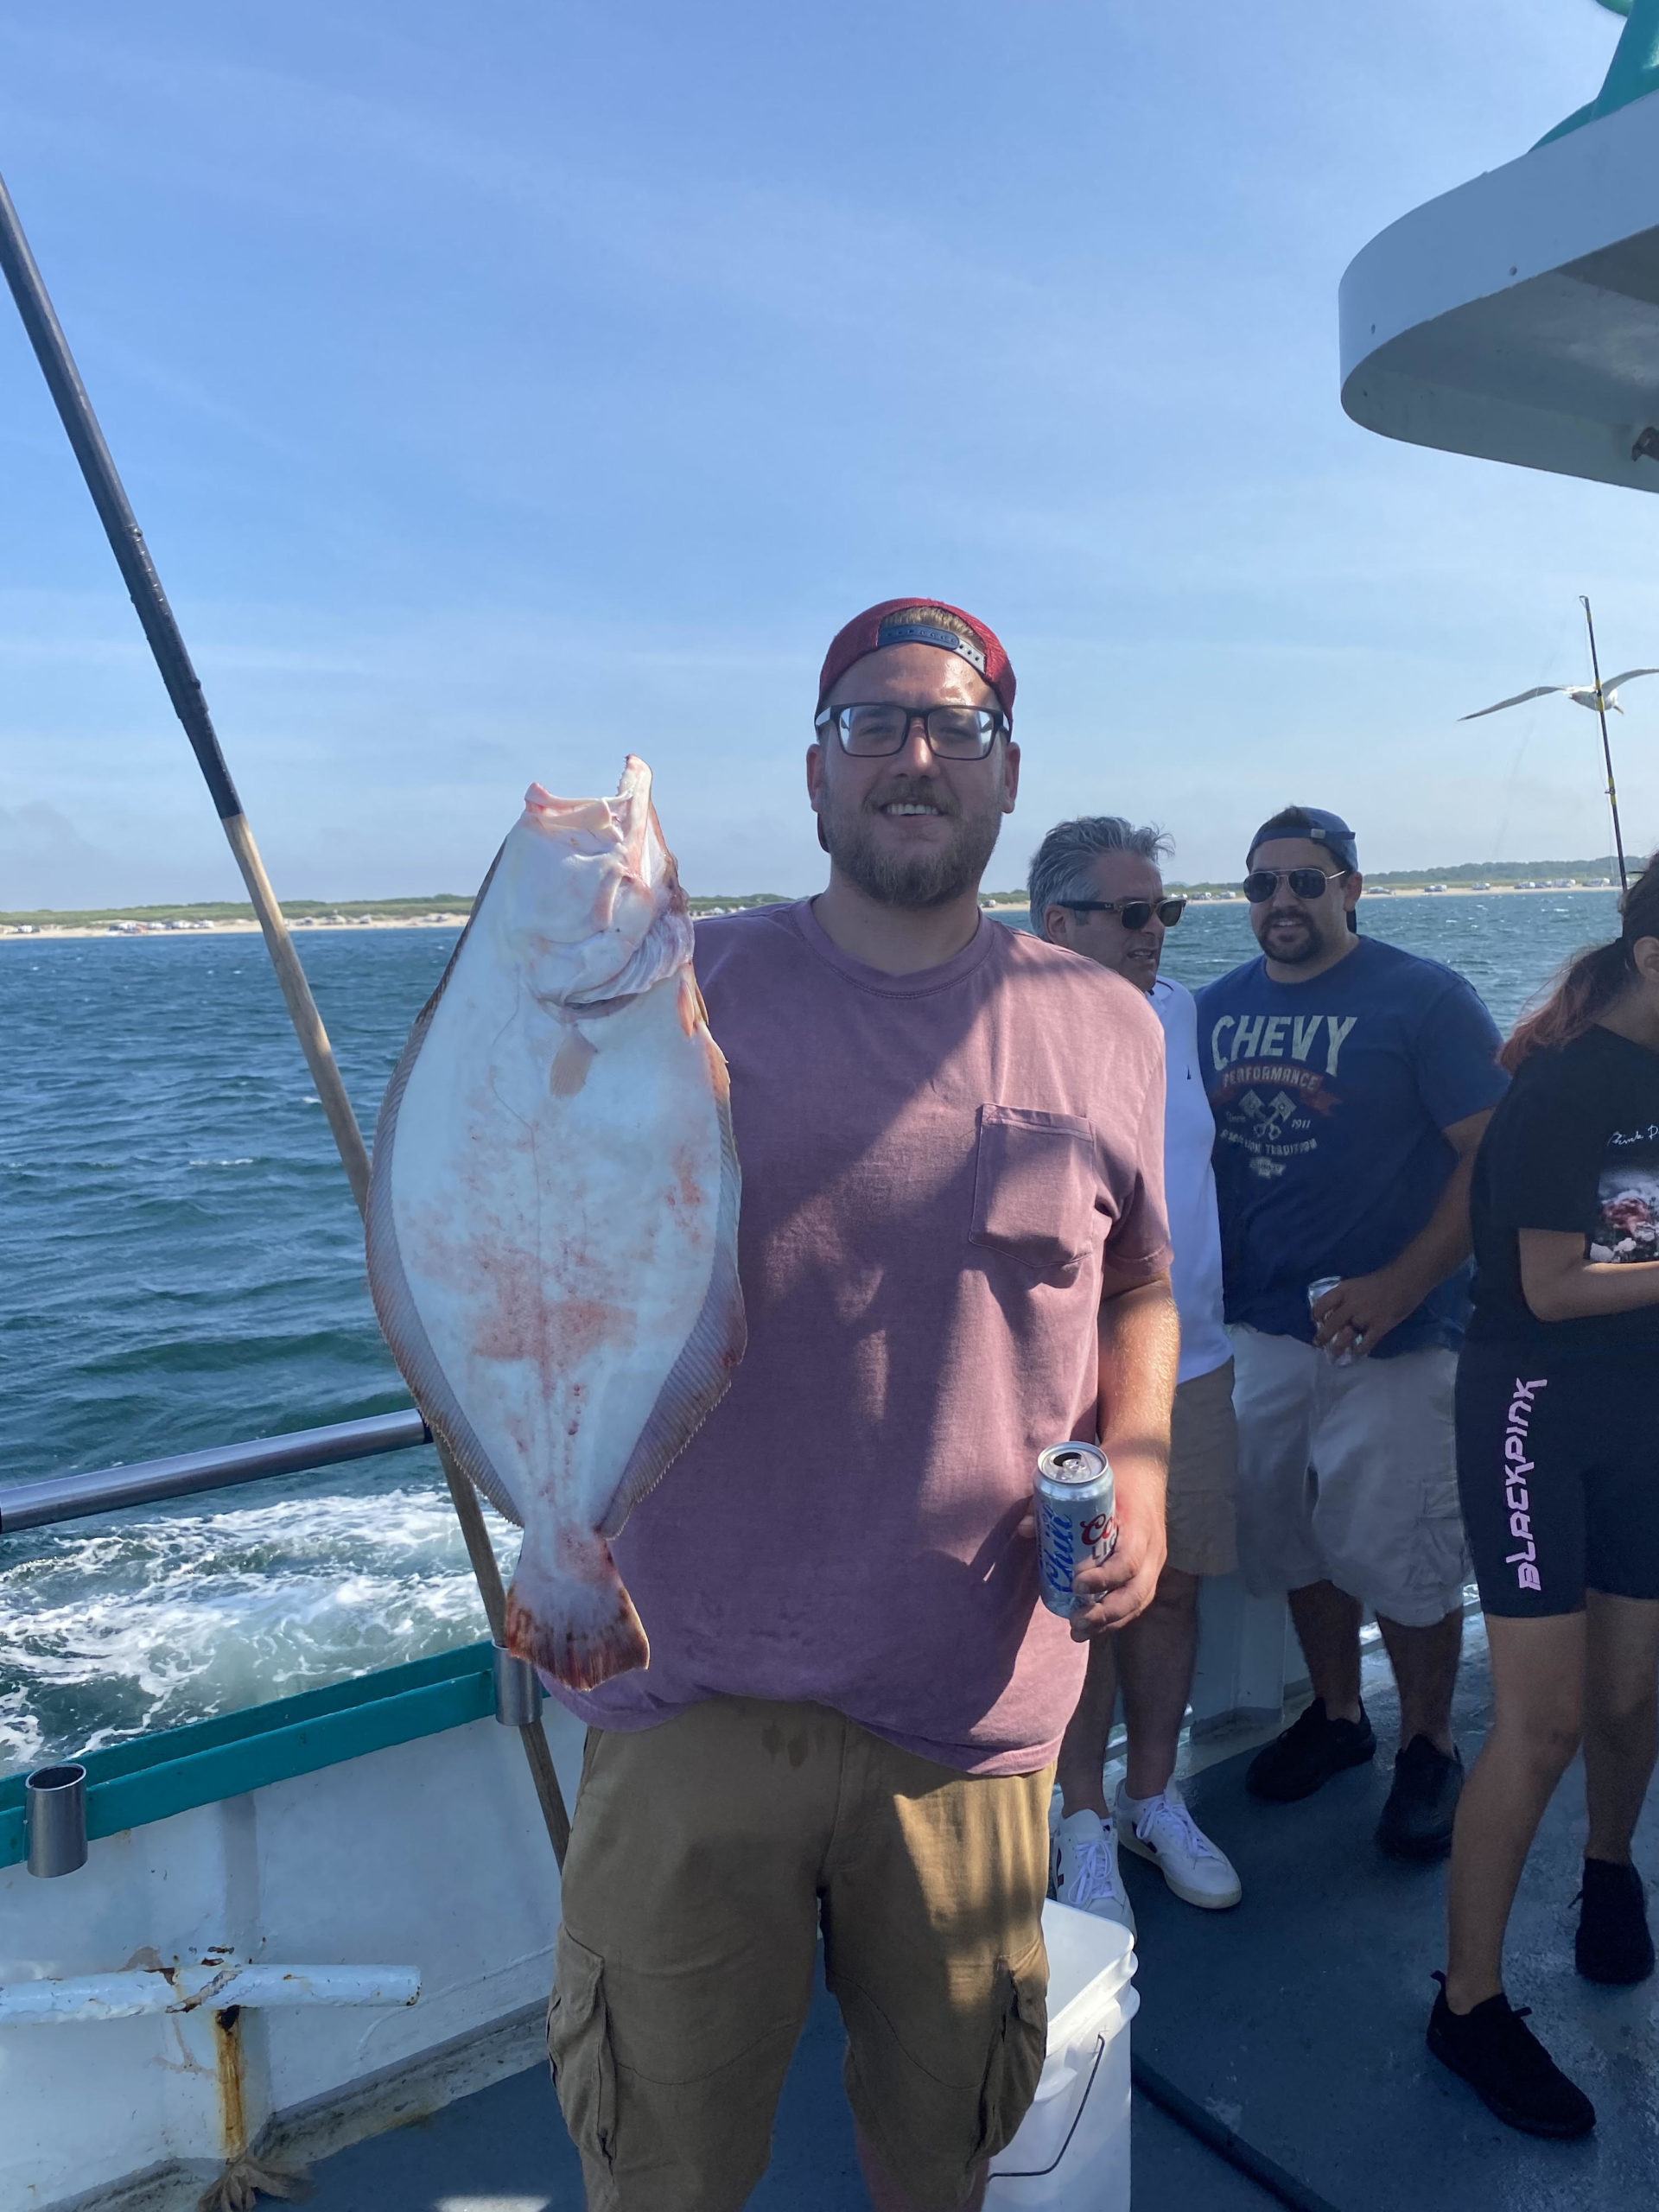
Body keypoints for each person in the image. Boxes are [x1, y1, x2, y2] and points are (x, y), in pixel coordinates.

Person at [544, 600, 1179, 2212]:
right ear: (814, 780)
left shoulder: (1109, 1025)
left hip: (970, 1710)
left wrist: (1150, 1472)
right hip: (681, 1689)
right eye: (872, 724)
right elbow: (531, 1256)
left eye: (955, 728)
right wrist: (541, 1507)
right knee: (663, 2171)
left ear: (1009, 774)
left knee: (944, 2155)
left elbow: (1138, 1292)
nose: (915, 755)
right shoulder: (669, 990)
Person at [1196, 806, 1506, 1859]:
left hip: (1402, 1336)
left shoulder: (1425, 998)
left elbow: (1491, 1152)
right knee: (1289, 1536)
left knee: (1408, 1549)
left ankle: (1429, 1744)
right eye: (1261, 885)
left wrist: (1399, 1283)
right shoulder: (1212, 1009)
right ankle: (1337, 1716)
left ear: (1352, 889)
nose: (1281, 902)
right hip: (1264, 1332)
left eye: (1307, 881)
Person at [1427, 855, 1659, 2140]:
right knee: (1546, 1722)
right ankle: (1465, 2006)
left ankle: (1611, 1872)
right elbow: (1560, 1285)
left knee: (1635, 1690)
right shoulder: (1564, 1090)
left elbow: (1640, 1236)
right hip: (1533, 1410)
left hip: (1646, 1410)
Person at [1030, 816, 1243, 1929]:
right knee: (1079, 1609)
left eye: (1166, 910)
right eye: (1133, 914)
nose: (1158, 931)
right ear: (1058, 923)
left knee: (1174, 1586)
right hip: (1055, 1377)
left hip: (1189, 1359)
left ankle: (1152, 1798)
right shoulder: (1010, 1023)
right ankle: (1080, 1823)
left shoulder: (1184, 1015)